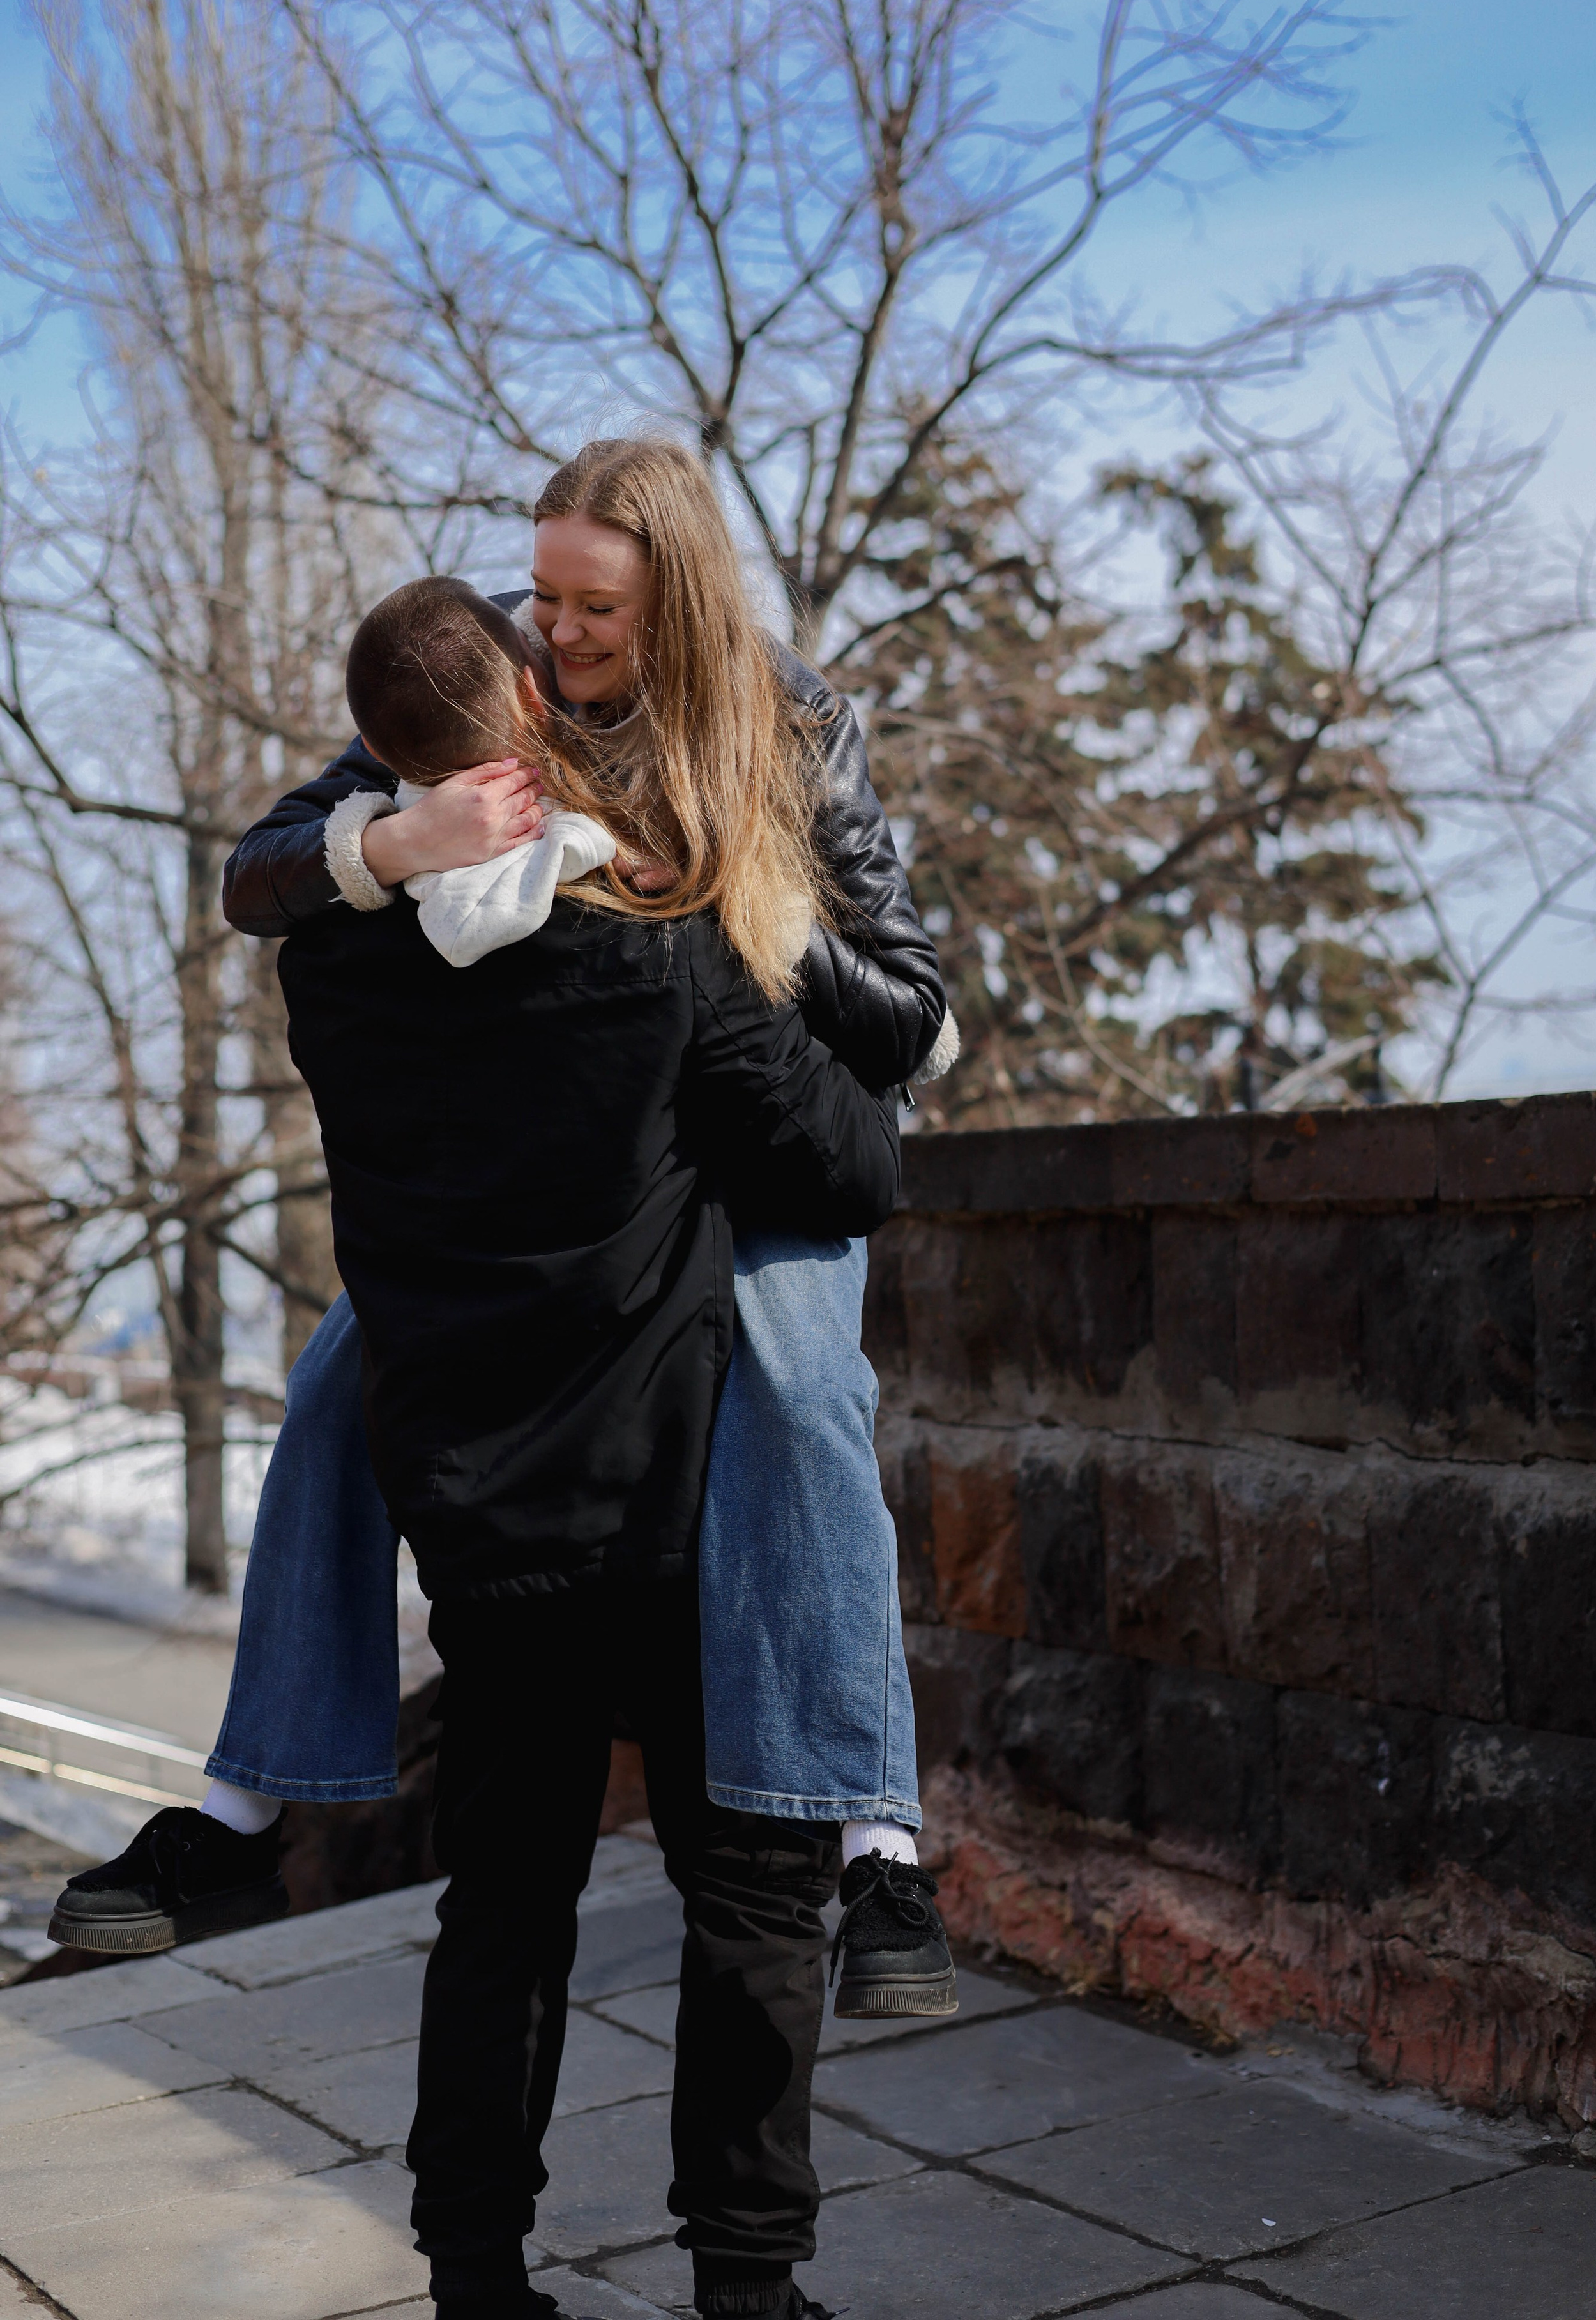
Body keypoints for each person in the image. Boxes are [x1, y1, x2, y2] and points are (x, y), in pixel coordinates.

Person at [51, 442, 957, 2024]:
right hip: (583, 1164)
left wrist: (756, 899)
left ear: (673, 593)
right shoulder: (489, 674)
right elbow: (259, 879)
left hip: (765, 1152)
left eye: (589, 602)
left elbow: (913, 1023)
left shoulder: (793, 724)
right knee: (339, 1389)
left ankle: (880, 1844)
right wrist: (400, 843)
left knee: (810, 1396)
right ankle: (244, 1811)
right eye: (540, 589)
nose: (554, 626)